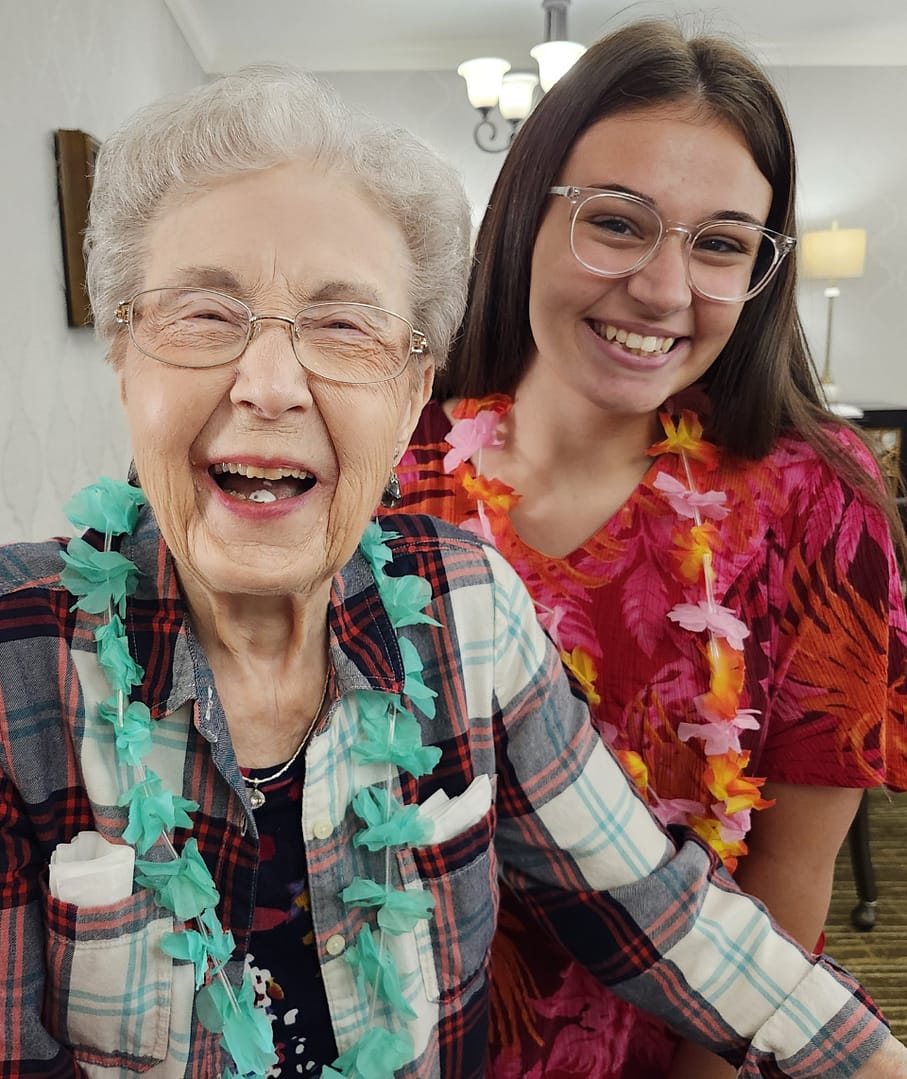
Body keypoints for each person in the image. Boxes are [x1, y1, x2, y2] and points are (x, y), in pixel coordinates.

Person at [1, 65, 905, 1079]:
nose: (266, 386)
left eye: (344, 327)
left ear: (410, 385)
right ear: (123, 354)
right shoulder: (19, 666)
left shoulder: (461, 600)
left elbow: (665, 910)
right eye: (204, 316)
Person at [395, 17, 907, 1079]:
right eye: (617, 223)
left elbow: (788, 878)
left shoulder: (817, 497)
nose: (665, 289)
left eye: (720, 242)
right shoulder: (390, 465)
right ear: (522, 216)